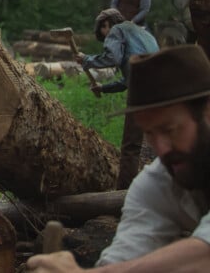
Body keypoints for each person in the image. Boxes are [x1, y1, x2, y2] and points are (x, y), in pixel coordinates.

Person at [27, 44, 210, 272]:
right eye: (150, 134)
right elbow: (123, 260)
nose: (161, 150)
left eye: (170, 130)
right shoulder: (157, 183)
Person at [78, 8, 159, 189]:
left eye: (103, 31)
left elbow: (112, 57)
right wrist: (103, 88)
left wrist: (87, 60)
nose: (106, 37)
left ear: (107, 24)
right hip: (160, 87)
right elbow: (126, 80)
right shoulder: (143, 33)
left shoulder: (117, 30)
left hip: (142, 87)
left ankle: (123, 192)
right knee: (159, 138)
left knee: (131, 146)